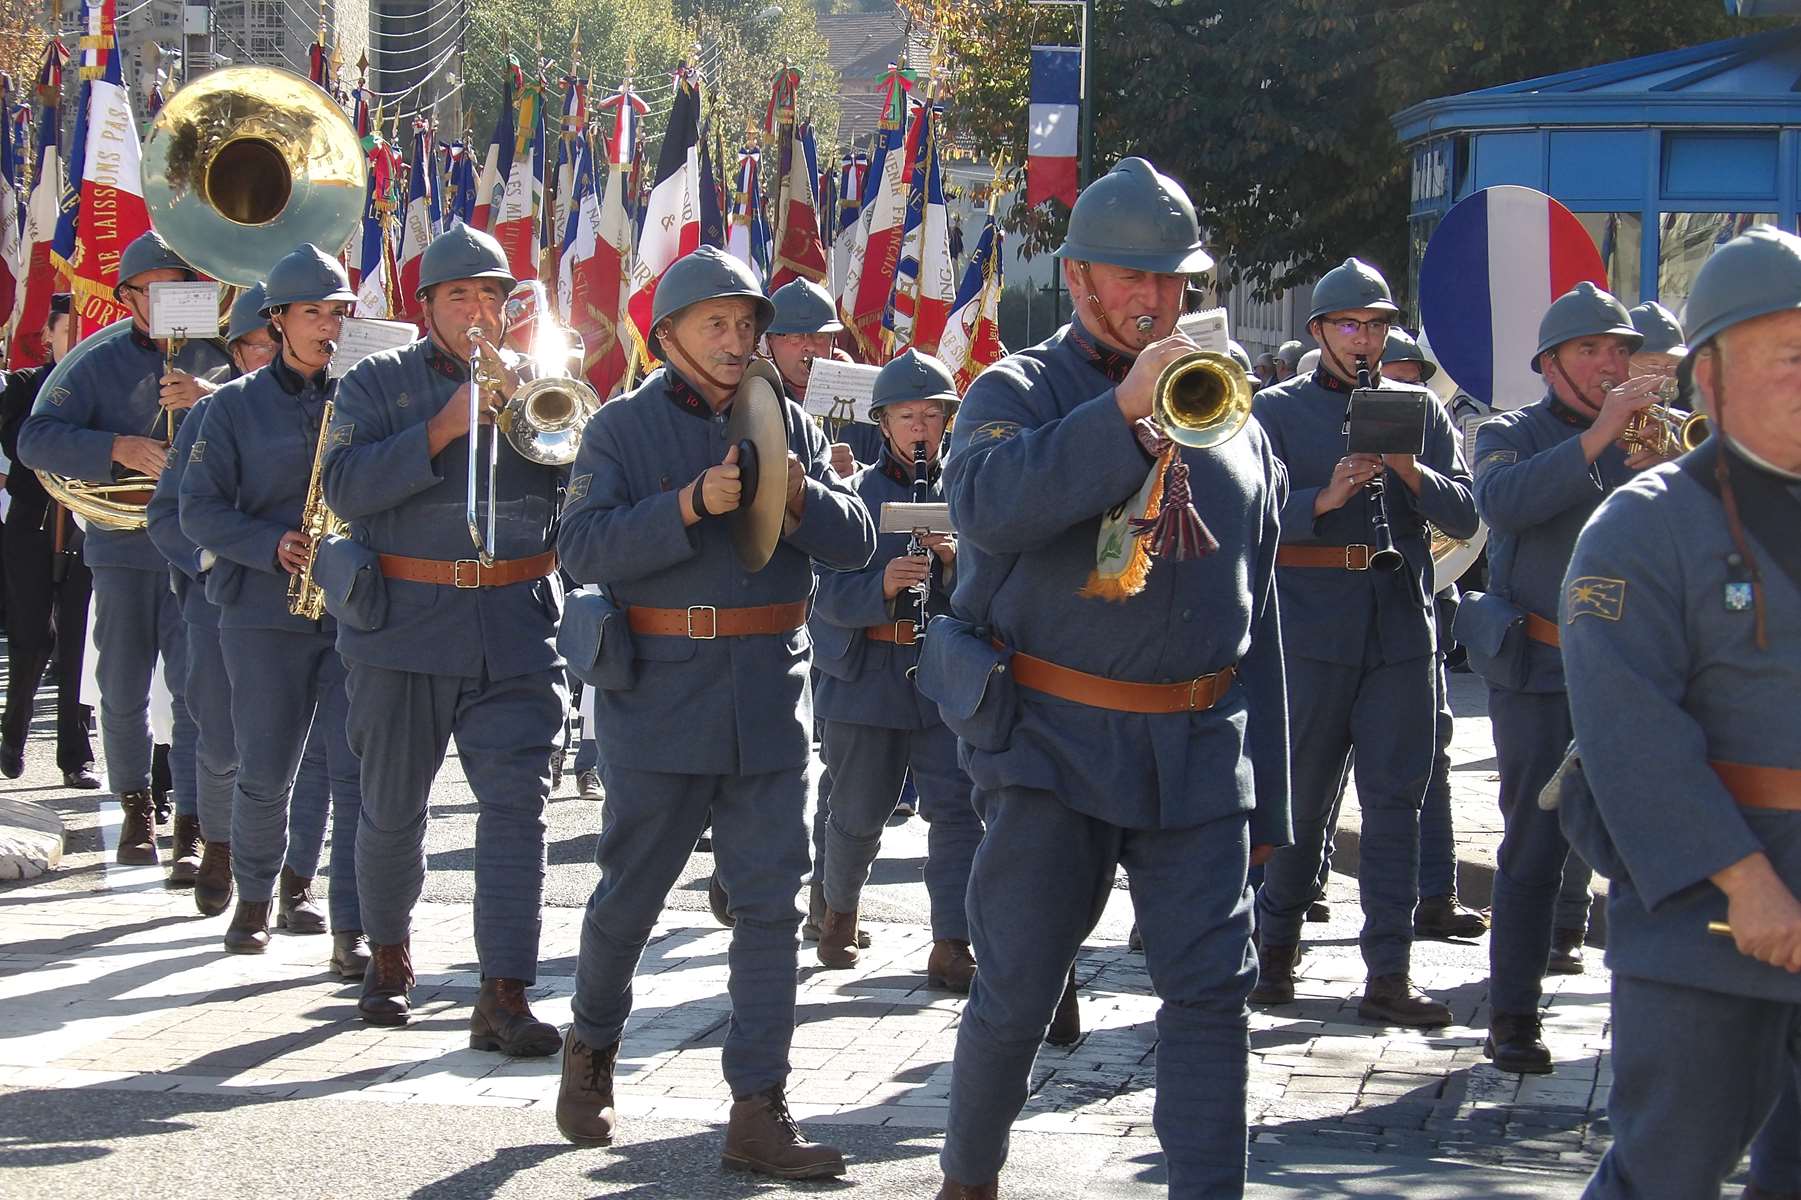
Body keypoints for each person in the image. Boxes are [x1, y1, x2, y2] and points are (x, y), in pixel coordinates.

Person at [930, 157, 1289, 1199]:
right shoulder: (1017, 390)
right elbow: (985, 507)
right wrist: (1121, 416)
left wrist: (1272, 797)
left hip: (1196, 752)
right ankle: (967, 1180)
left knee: (1211, 996)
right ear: (1079, 276)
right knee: (1017, 988)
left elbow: (1257, 613)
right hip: (1052, 744)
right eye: (1132, 276)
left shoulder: (1229, 408)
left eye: (1173, 279)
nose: (1155, 298)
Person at [554, 246, 874, 1178]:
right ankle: (591, 1044)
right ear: (667, 337)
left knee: (771, 907)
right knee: (630, 894)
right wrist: (688, 505)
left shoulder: (788, 419)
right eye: (716, 324)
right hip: (661, 696)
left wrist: (802, 494)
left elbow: (856, 541)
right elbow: (579, 547)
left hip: (769, 695)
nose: (737, 342)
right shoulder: (620, 427)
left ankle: (758, 1108)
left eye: (746, 325)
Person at [1559, 224, 1801, 1198]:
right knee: (1668, 1168)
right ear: (1710, 376)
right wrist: (1746, 883)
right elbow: (1630, 732)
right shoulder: (1643, 525)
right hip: (1703, 916)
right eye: (1790, 355)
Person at [322, 224, 566, 1052]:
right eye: (460, 295)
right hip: (403, 629)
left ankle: (504, 991)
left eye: (491, 295)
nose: (477, 311)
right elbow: (344, 488)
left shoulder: (539, 379)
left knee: (517, 812)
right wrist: (442, 427)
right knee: (392, 809)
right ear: (426, 305)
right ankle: (389, 957)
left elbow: (580, 484)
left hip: (516, 627)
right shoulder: (376, 382)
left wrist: (538, 417)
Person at [1250, 258, 1477, 1028]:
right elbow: (1244, 513)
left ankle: (1388, 973)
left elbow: (1465, 513)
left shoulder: (1419, 408)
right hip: (1308, 629)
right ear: (1318, 331)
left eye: (1376, 326)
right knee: (1300, 802)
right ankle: (1273, 952)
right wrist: (1326, 497)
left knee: (1394, 804)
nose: (1363, 339)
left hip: (1399, 630)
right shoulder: (1275, 410)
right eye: (1348, 325)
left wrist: (1408, 472)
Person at [1464, 283, 1669, 1074]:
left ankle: (1652, 1017)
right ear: (1549, 364)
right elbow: (1502, 504)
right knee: (1533, 845)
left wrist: (1671, 469)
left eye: (1619, 349)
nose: (1609, 363)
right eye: (1589, 350)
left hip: (1637, 674)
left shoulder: (1655, 437)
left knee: (1651, 847)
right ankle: (1512, 1016)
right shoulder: (1509, 432)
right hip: (1542, 672)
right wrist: (1599, 437)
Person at [177, 246, 367, 971]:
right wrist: (270, 543)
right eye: (313, 313)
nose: (328, 327)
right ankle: (253, 899)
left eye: (338, 313)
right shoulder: (228, 407)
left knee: (352, 773)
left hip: (352, 606)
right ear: (278, 320)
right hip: (262, 607)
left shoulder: (365, 394)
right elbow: (197, 511)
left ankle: (345, 920)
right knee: (265, 766)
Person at [16, 231, 228, 869]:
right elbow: (34, 439)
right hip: (122, 546)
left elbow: (272, 423)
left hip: (196, 548)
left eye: (178, 288)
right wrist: (117, 448)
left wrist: (210, 396)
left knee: (196, 689)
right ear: (126, 297)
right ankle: (136, 808)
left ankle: (190, 820)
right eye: (151, 291)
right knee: (122, 684)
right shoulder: (95, 359)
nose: (166, 301)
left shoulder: (221, 356)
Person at [809, 348, 981, 990]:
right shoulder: (851, 497)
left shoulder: (968, 493)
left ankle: (951, 942)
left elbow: (1000, 591)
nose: (919, 427)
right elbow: (821, 592)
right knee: (856, 811)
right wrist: (880, 586)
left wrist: (955, 565)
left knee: (958, 811)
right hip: (868, 676)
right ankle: (838, 916)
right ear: (882, 423)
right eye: (907, 415)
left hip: (945, 674)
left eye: (931, 415)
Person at [1379, 329, 1488, 940]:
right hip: (1332, 616)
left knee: (1433, 750)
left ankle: (1437, 894)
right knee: (1320, 760)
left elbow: (1466, 516)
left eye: (1413, 380)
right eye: (1394, 377)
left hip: (1421, 601)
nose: (1404, 388)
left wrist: (1411, 469)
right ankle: (1300, 886)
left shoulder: (1433, 423)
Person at [0, 293, 98, 789]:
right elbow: (18, 443)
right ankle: (12, 734)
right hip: (32, 524)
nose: (75, 340)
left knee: (79, 641)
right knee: (33, 636)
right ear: (48, 337)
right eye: (66, 331)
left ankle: (75, 755)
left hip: (85, 525)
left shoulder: (101, 388)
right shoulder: (24, 386)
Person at [765, 278, 880, 474]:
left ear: (833, 342)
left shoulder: (865, 396)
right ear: (770, 342)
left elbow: (893, 475)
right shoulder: (755, 397)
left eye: (819, 336)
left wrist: (858, 471)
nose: (809, 346)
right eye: (795, 337)